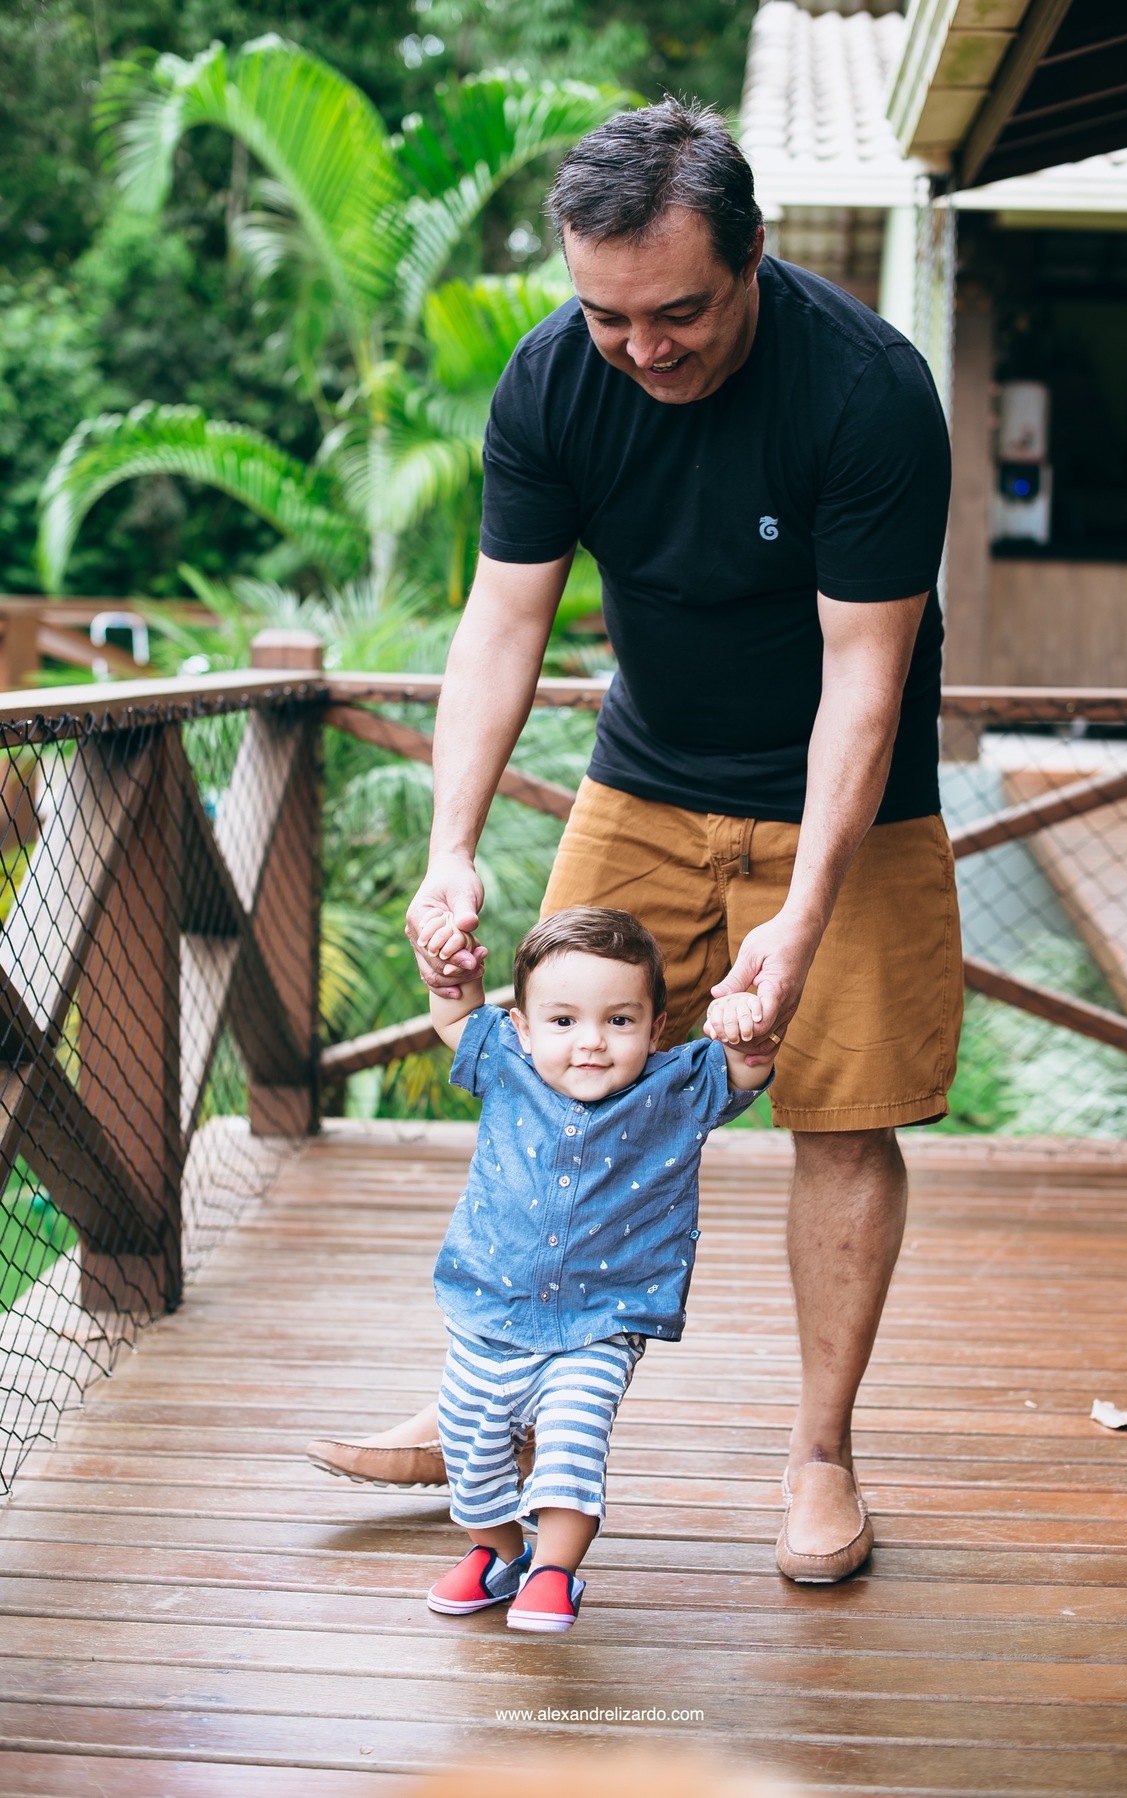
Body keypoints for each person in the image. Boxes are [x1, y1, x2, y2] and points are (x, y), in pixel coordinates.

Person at [307, 97, 962, 1585]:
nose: (644, 348)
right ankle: (498, 1413)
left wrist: (802, 910)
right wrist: (451, 844)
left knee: (842, 1116)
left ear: (750, 263)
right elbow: (505, 618)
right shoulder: (553, 380)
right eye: (610, 317)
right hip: (645, 774)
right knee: (554, 1089)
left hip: (853, 803)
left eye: (679, 313)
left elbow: (866, 674)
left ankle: (818, 1456)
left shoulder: (865, 390)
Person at [421, 906, 773, 1632]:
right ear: (519, 1027)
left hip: (602, 1319)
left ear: (656, 1026)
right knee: (466, 1440)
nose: (590, 1043)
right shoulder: (505, 1062)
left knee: (572, 1443)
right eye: (562, 1022)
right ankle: (495, 1553)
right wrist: (450, 975)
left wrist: (749, 1024)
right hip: (492, 1308)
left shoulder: (680, 1087)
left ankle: (554, 1570)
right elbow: (456, 1018)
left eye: (619, 1021)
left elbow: (746, 1066)